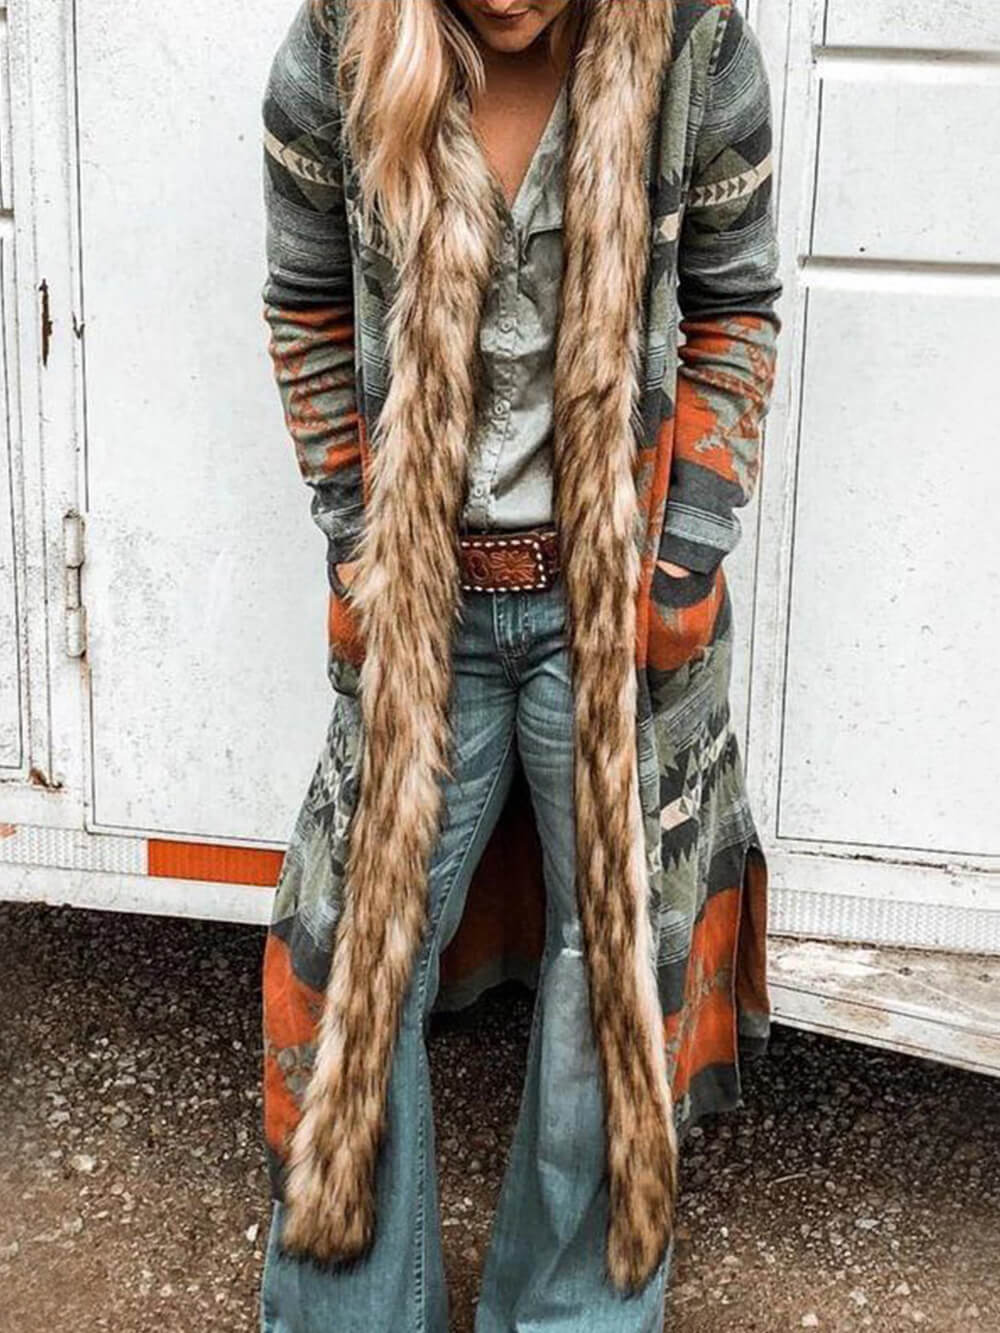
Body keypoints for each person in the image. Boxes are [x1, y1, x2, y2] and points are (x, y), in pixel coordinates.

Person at [257, 0, 782, 1328]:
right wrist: (357, 543)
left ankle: (572, 1314)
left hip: (612, 616)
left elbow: (736, 309)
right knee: (355, 959)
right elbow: (306, 308)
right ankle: (348, 1312)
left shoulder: (694, 48)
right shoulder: (336, 48)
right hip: (422, 611)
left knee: (616, 965)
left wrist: (683, 561)